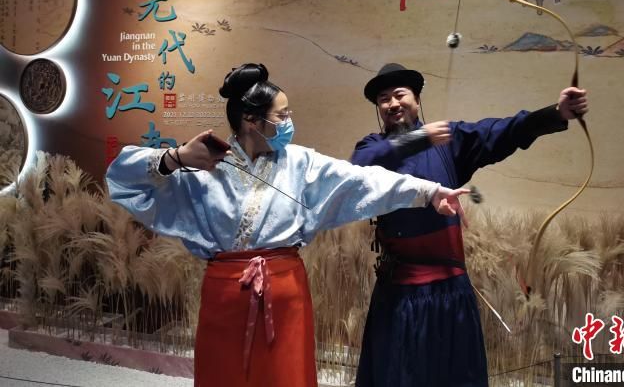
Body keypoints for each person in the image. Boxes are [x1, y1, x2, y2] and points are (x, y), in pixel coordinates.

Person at [106, 63, 468, 387]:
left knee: (285, 376)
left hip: (285, 294)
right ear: (252, 120)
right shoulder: (205, 163)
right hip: (224, 297)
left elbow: (361, 180)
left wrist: (428, 191)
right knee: (224, 375)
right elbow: (122, 179)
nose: (289, 120)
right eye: (282, 114)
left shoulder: (300, 162)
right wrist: (176, 157)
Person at [351, 63, 589, 387]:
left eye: (399, 94)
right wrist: (419, 139)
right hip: (398, 297)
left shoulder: (447, 142)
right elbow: (361, 164)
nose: (392, 104)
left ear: (416, 99)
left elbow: (501, 132)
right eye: (383, 99)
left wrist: (556, 113)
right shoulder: (372, 147)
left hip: (450, 295)